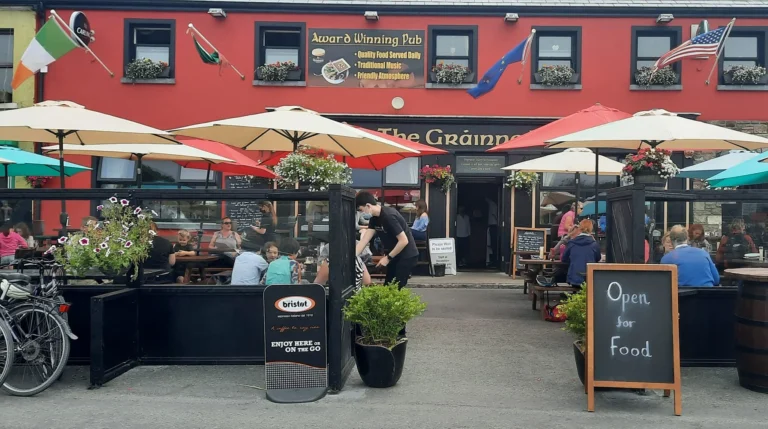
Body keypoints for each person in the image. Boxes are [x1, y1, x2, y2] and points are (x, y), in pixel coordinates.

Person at [355, 191, 419, 289]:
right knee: (388, 287)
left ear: (368, 206)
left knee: (395, 288)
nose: (362, 213)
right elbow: (364, 240)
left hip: (406, 255)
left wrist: (388, 258)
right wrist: (353, 257)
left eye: (361, 210)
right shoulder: (374, 219)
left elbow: (403, 241)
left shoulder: (389, 216)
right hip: (394, 255)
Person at [562, 219, 601, 287]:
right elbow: (598, 258)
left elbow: (564, 259)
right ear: (591, 229)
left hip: (574, 277)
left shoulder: (572, 243)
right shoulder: (594, 244)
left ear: (579, 228)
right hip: (589, 277)